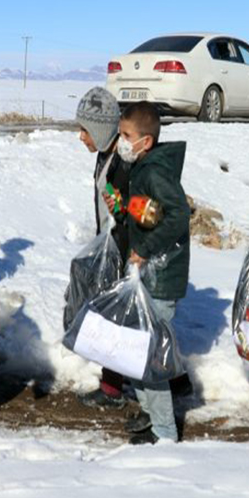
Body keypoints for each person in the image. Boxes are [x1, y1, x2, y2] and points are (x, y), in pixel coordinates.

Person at [117, 102, 190, 444]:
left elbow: (176, 216)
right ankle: (150, 415)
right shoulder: (143, 168)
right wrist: (119, 207)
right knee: (136, 349)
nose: (121, 142)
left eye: (126, 136)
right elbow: (149, 214)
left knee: (149, 356)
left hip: (161, 279)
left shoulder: (155, 172)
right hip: (147, 276)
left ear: (145, 142)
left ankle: (164, 432)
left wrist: (144, 250)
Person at [72, 87, 130, 409]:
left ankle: (114, 388)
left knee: (119, 320)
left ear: (102, 129)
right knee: (117, 318)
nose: (81, 137)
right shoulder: (105, 156)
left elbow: (124, 208)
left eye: (85, 130)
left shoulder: (121, 162)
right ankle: (171, 379)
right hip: (108, 245)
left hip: (122, 251)